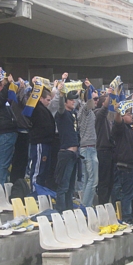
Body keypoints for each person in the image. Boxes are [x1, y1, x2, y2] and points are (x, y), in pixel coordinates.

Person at [111, 107, 133, 224]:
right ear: (123, 117)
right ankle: (126, 217)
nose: (131, 116)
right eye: (129, 114)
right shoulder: (121, 128)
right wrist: (119, 111)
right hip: (127, 166)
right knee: (127, 193)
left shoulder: (132, 128)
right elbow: (117, 121)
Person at [54, 81, 80, 213]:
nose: (73, 102)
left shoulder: (73, 114)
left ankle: (69, 211)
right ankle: (60, 211)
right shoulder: (61, 114)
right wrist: (60, 93)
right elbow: (60, 107)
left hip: (74, 154)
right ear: (65, 101)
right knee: (63, 185)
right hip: (66, 153)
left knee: (70, 187)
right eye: (70, 100)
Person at [28, 84, 55, 192]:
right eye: (47, 100)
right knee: (37, 169)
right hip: (39, 141)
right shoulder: (36, 108)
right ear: (41, 98)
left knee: (43, 169)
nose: (49, 102)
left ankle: (40, 190)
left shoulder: (44, 109)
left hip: (46, 142)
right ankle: (34, 190)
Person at [77, 79, 99, 207]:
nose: (96, 101)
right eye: (95, 99)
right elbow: (89, 100)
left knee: (87, 180)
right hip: (88, 148)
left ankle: (84, 206)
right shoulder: (85, 109)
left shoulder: (87, 110)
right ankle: (86, 207)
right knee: (93, 180)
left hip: (87, 148)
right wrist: (89, 87)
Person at [94, 87, 115, 205]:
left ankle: (107, 204)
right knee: (104, 181)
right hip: (102, 151)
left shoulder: (110, 117)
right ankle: (102, 205)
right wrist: (110, 94)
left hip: (111, 151)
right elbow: (104, 108)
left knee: (110, 181)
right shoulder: (98, 114)